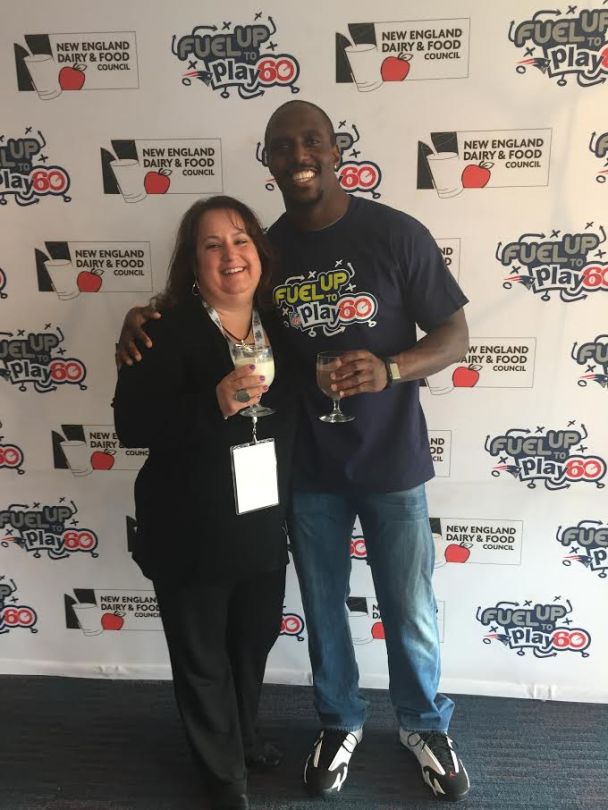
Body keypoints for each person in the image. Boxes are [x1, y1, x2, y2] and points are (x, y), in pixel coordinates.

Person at [116, 101, 471, 803]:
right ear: (270, 161)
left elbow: (454, 336)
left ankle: (425, 724)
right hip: (304, 471)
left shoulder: (395, 233)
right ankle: (340, 721)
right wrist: (142, 316)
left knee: (409, 607)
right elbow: (215, 310)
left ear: (336, 150)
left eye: (311, 141)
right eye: (283, 145)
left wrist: (393, 367)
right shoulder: (267, 251)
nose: (299, 155)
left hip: (391, 462)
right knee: (324, 609)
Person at [113, 195, 296, 810]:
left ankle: (242, 737)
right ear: (193, 263)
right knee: (202, 656)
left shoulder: (281, 328)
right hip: (189, 524)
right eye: (212, 245)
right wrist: (213, 404)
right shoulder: (161, 331)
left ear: (259, 253)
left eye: (241, 240)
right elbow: (131, 425)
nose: (230, 255)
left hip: (260, 518)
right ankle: (223, 776)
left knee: (253, 639)